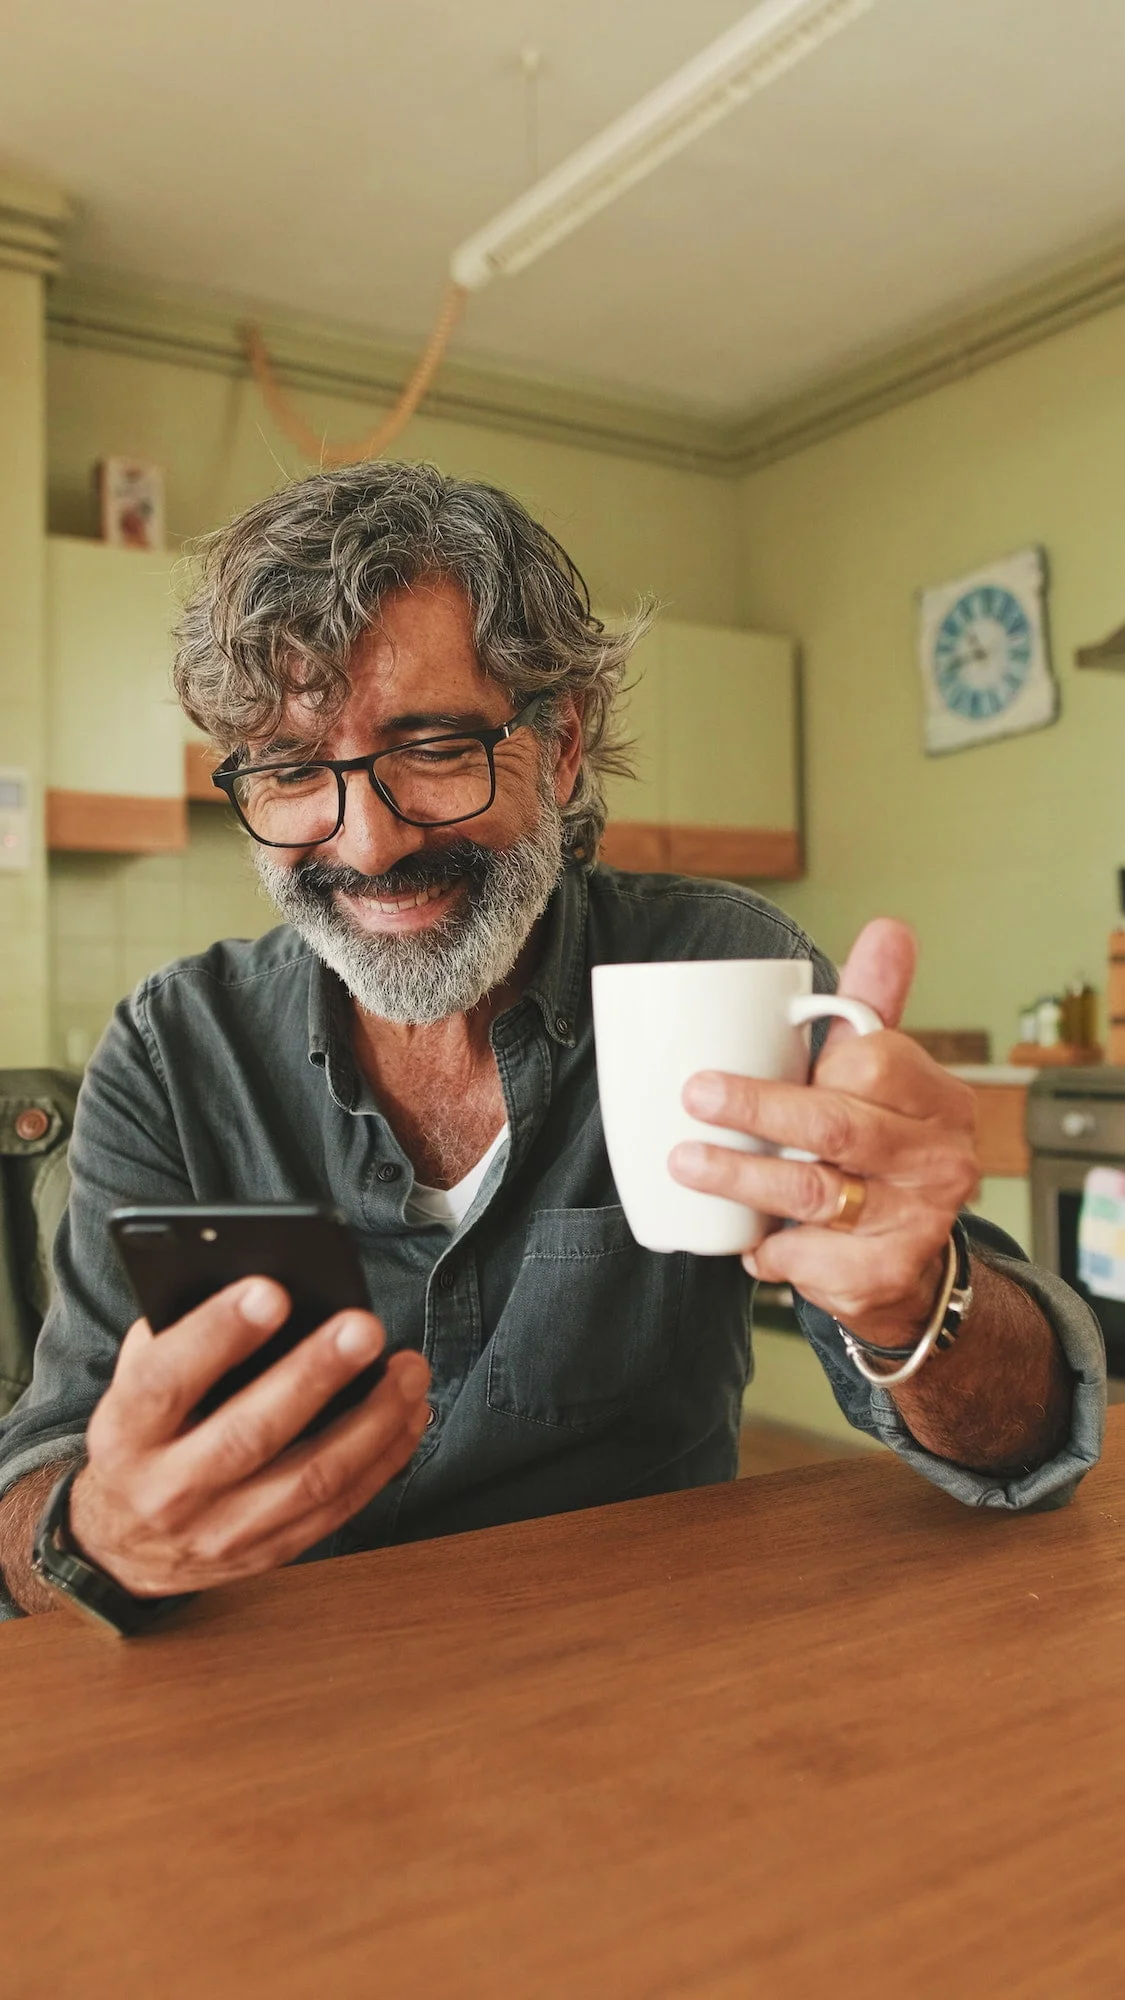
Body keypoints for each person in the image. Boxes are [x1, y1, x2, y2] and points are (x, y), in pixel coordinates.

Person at [0, 464, 1104, 1627]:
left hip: (645, 1672)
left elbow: (1020, 1442)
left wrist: (921, 1297)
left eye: (432, 747)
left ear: (563, 743)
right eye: (289, 770)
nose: (367, 844)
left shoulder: (716, 972)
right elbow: (30, 1491)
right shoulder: (177, 1053)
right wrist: (96, 1528)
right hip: (289, 1701)